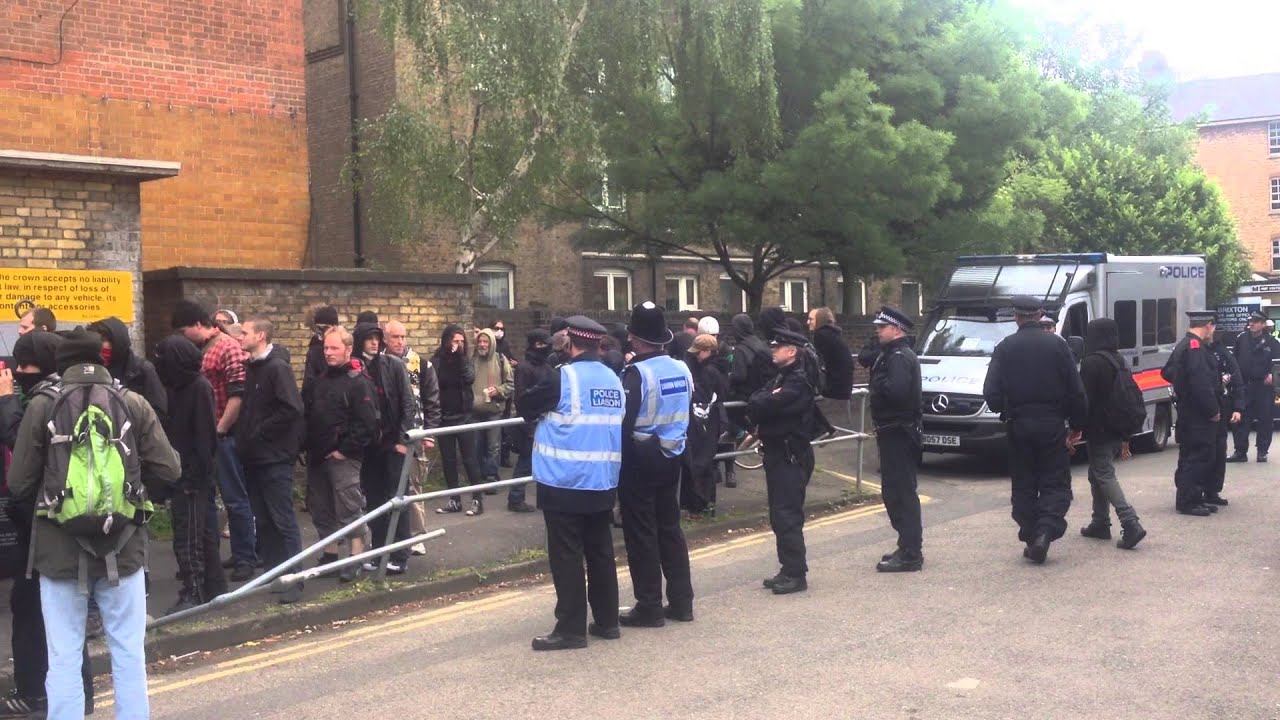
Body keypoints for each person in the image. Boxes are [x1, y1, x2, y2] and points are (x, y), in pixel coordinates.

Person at [9, 327, 180, 720]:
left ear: (61, 364)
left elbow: (18, 484)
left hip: (58, 550)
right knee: (127, 653)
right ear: (102, 359)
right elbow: (170, 469)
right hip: (125, 547)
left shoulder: (41, 406)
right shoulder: (132, 402)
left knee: (63, 656)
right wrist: (132, 494)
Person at [0, 331, 94, 718]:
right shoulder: (80, 393)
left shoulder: (46, 399)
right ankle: (78, 695)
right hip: (74, 522)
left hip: (46, 527)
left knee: (38, 610)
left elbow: (23, 449)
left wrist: (6, 401)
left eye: (23, 365)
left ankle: (39, 693)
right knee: (60, 613)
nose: (18, 371)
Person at [519, 316, 623, 651]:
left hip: (564, 481)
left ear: (570, 343)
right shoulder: (613, 378)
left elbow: (525, 405)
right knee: (600, 552)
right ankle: (608, 622)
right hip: (603, 480)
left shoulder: (562, 378)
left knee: (566, 556)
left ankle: (571, 628)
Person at [982, 296, 1087, 564]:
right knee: (1054, 481)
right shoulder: (1058, 346)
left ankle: (1032, 534)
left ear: (1016, 316)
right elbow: (1076, 391)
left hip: (1019, 424)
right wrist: (1076, 426)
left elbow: (990, 393)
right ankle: (1044, 531)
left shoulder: (1005, 347)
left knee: (1024, 482)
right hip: (1052, 423)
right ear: (1040, 315)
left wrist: (1006, 410)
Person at [618, 301, 695, 627]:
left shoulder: (636, 373)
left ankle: (648, 605)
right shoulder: (682, 368)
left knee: (641, 534)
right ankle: (681, 602)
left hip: (640, 461)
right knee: (670, 530)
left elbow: (624, 422)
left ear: (635, 339)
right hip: (673, 456)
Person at [172, 300, 258, 582]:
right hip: (204, 438)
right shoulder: (196, 349)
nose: (182, 337)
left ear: (198, 325)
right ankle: (213, 559)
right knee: (208, 501)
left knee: (235, 499)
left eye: (184, 330)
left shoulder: (227, 347)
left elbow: (238, 393)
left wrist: (220, 430)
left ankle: (246, 557)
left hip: (223, 437)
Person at [235, 317, 306, 603]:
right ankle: (277, 574)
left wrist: (259, 432)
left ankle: (294, 579)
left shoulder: (277, 367)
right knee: (263, 521)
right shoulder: (253, 366)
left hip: (274, 458)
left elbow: (292, 408)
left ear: (261, 335)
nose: (240, 336)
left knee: (282, 519)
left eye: (245, 332)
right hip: (254, 457)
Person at [154, 335, 226, 614]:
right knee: (203, 535)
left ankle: (194, 590)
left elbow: (204, 436)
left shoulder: (197, 387)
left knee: (189, 538)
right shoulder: (177, 386)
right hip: (184, 474)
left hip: (193, 478)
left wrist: (195, 477)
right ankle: (213, 588)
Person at [305, 326, 380, 583]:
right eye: (326, 348)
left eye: (334, 348)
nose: (328, 352)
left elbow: (368, 424)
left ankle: (356, 558)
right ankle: (329, 557)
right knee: (321, 509)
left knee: (349, 509)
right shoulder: (319, 381)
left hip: (344, 459)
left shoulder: (358, 383)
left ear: (348, 349)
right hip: (318, 457)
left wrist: (344, 450)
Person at [748, 327, 818, 594]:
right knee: (779, 514)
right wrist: (766, 399)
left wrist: (767, 400)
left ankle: (796, 573)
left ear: (792, 351)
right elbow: (755, 400)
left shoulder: (798, 381)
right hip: (778, 454)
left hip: (791, 456)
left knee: (787, 515)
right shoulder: (782, 376)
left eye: (778, 347)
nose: (773, 350)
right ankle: (787, 567)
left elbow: (767, 405)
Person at [350, 321, 417, 573]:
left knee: (397, 498)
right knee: (375, 501)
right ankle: (380, 552)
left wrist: (402, 440)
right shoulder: (354, 368)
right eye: (369, 338)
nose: (375, 342)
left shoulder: (393, 365)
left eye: (377, 338)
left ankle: (400, 556)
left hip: (393, 444)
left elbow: (408, 404)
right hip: (369, 447)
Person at [1077, 319, 1148, 550]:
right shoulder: (1119, 360)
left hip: (1099, 427)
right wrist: (1126, 436)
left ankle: (1130, 521)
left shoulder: (1091, 362)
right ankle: (1100, 522)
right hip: (1118, 426)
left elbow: (1085, 400)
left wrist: (1075, 427)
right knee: (1096, 473)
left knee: (1104, 473)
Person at [866, 307, 925, 573]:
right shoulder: (892, 354)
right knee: (895, 492)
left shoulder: (899, 357)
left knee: (901, 493)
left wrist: (876, 388)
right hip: (892, 431)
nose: (878, 331)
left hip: (899, 431)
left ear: (897, 329)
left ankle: (911, 553)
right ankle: (907, 545)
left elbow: (897, 392)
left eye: (882, 327)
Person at [1162, 311, 1224, 517]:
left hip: (1188, 411)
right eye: (1213, 327)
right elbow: (1201, 384)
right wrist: (1213, 410)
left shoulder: (1184, 345)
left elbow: (1168, 372)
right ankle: (1188, 501)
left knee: (1190, 455)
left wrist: (1182, 387)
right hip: (1199, 414)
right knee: (1198, 456)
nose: (1213, 332)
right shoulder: (1195, 349)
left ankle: (1194, 497)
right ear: (1208, 325)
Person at [384, 319, 437, 554]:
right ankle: (390, 536)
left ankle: (416, 537)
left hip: (414, 434)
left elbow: (432, 401)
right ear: (385, 338)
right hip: (388, 436)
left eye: (403, 337)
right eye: (395, 337)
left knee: (414, 486)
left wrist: (430, 433)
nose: (400, 341)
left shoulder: (419, 365)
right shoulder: (379, 363)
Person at [433, 325, 485, 515]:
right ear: (447, 341)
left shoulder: (465, 360)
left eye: (462, 341)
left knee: (470, 459)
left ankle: (477, 500)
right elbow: (433, 382)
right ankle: (454, 500)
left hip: (464, 417)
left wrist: (460, 357)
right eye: (455, 341)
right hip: (445, 417)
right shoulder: (437, 360)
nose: (459, 344)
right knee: (449, 460)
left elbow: (470, 378)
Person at [87, 317, 169, 423]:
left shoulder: (142, 370)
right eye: (96, 341)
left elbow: (158, 412)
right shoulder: (91, 368)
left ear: (117, 341)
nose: (100, 346)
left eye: (103, 340)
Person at [682, 334, 728, 518]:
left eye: (698, 352)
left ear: (708, 351)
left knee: (699, 464)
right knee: (706, 464)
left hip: (706, 421)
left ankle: (699, 506)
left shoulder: (708, 371)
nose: (695, 356)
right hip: (713, 420)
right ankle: (707, 505)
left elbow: (702, 395)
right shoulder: (718, 368)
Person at [510, 330, 555, 513]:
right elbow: (520, 398)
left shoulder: (547, 367)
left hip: (544, 421)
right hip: (529, 422)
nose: (544, 347)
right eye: (540, 344)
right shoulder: (524, 368)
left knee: (543, 462)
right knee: (525, 462)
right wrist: (528, 425)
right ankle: (515, 497)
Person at [1228, 310, 1279, 463]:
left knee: (1265, 420)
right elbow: (1233, 360)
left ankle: (1262, 451)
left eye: (1256, 321)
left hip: (1263, 387)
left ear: (1263, 324)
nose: (1252, 324)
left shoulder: (1272, 342)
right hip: (1245, 385)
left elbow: (1278, 364)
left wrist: (1272, 373)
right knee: (1241, 419)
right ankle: (1240, 451)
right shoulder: (1241, 339)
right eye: (1251, 321)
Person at [471, 328, 514, 492]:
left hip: (493, 411)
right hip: (474, 412)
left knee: (493, 446)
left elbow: (510, 385)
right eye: (480, 341)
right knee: (476, 446)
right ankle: (479, 478)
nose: (482, 345)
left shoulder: (501, 360)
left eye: (485, 342)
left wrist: (498, 391)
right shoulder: (471, 360)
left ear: (492, 343)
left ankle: (491, 477)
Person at [1207, 332, 1244, 510]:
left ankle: (1213, 491)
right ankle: (1196, 490)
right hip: (1201, 409)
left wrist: (1238, 408)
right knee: (1202, 451)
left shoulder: (1223, 353)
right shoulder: (1194, 350)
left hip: (1222, 405)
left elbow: (1236, 379)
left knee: (1219, 450)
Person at [808, 307, 854, 401]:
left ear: (820, 320)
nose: (808, 322)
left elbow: (819, 362)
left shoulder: (821, 335)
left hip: (833, 389)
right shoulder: (832, 334)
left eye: (811, 319)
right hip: (843, 387)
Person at [303, 306, 340, 396]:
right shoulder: (314, 349)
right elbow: (309, 383)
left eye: (326, 328)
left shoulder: (343, 345)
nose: (322, 332)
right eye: (319, 328)